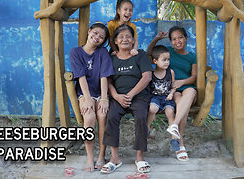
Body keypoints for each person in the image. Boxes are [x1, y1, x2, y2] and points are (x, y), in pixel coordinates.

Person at [101, 24, 153, 174]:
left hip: (139, 96)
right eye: (121, 37)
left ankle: (140, 157)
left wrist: (130, 95)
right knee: (111, 117)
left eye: (128, 37)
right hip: (118, 97)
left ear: (133, 40)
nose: (125, 39)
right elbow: (109, 81)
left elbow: (147, 76)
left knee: (141, 116)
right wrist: (117, 96)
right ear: (115, 41)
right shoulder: (112, 58)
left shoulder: (140, 55)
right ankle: (115, 158)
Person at [147, 26, 197, 162]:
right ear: (170, 41)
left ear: (186, 38)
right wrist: (157, 39)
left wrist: (182, 82)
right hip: (172, 91)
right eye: (174, 39)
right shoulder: (167, 52)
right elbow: (150, 53)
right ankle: (180, 145)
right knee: (183, 109)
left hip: (186, 87)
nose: (177, 41)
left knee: (191, 91)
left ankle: (174, 124)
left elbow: (194, 77)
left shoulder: (192, 56)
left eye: (180, 37)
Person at [70, 23, 114, 172]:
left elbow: (104, 76)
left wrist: (103, 98)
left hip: (100, 92)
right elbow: (80, 77)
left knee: (102, 115)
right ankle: (90, 157)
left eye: (101, 37)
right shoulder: (76, 52)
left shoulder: (102, 53)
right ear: (89, 31)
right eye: (95, 33)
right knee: (89, 118)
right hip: (85, 93)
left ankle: (101, 155)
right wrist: (87, 98)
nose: (97, 38)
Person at [146, 45, 180, 151]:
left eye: (168, 60)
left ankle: (174, 139)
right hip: (155, 98)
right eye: (164, 60)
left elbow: (173, 86)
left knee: (170, 113)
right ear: (155, 61)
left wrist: (171, 93)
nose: (167, 62)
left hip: (167, 98)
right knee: (152, 109)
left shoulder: (171, 72)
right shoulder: (151, 73)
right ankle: (146, 129)